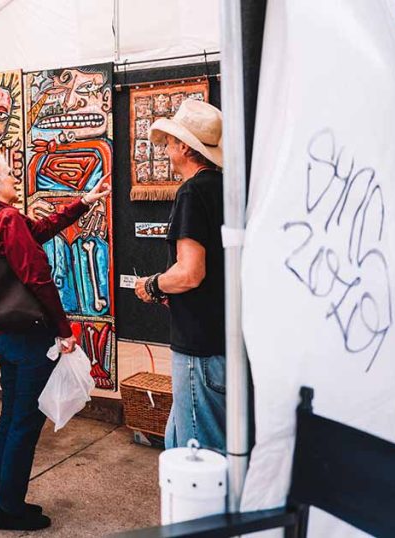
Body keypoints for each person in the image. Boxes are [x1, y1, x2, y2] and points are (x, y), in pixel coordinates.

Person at [0, 153, 109, 531]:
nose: (14, 180)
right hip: (29, 337)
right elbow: (38, 276)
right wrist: (64, 330)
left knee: (11, 416)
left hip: (4, 336)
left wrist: (82, 203)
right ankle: (9, 507)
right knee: (25, 422)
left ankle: (1, 496)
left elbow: (39, 231)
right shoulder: (6, 218)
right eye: (9, 175)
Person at [135, 99, 226, 451]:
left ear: (185, 147)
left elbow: (189, 273)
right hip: (222, 339)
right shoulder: (224, 188)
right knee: (182, 439)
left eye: (170, 143)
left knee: (197, 456)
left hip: (199, 345)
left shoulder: (192, 191)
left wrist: (152, 285)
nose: (167, 150)